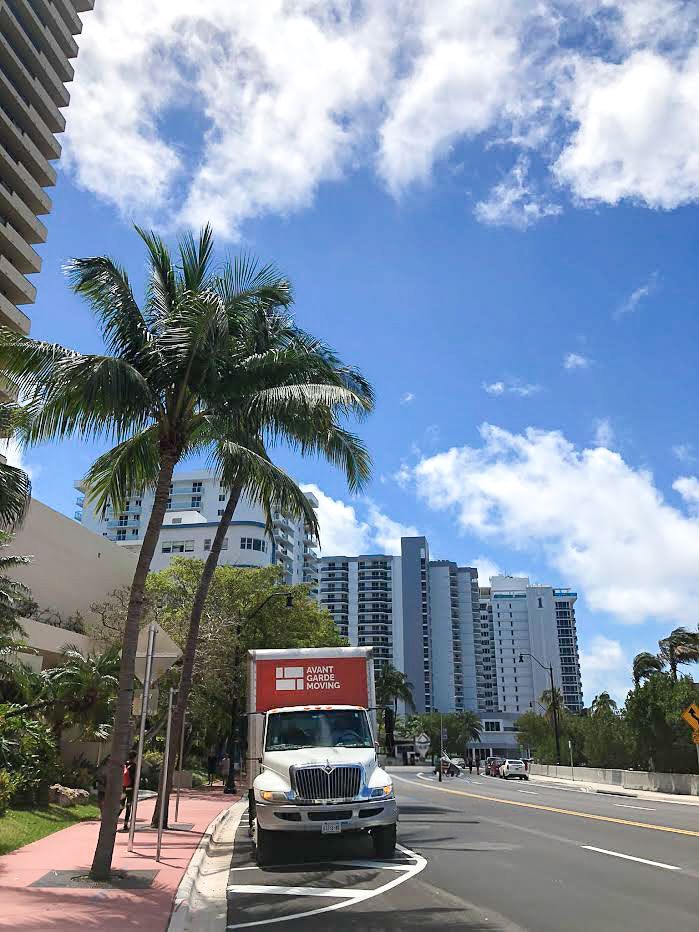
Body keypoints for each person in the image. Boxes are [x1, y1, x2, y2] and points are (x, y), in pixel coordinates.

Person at [120, 751, 138, 832]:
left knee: (121, 805)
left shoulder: (124, 765)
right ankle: (125, 824)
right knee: (128, 806)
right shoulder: (134, 766)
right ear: (134, 757)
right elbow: (134, 777)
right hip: (130, 789)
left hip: (123, 788)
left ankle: (114, 820)